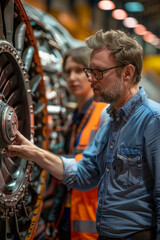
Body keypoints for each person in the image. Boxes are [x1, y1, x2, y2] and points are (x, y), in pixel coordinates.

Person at [8, 29, 160, 240]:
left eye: (98, 72)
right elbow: (84, 173)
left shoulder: (152, 120)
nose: (91, 79)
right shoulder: (111, 125)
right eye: (89, 71)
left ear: (127, 73)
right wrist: (33, 153)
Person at [45, 46, 108, 240]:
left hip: (92, 224)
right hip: (68, 218)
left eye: (79, 71)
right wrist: (54, 216)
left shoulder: (104, 115)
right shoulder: (74, 120)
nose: (72, 78)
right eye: (68, 72)